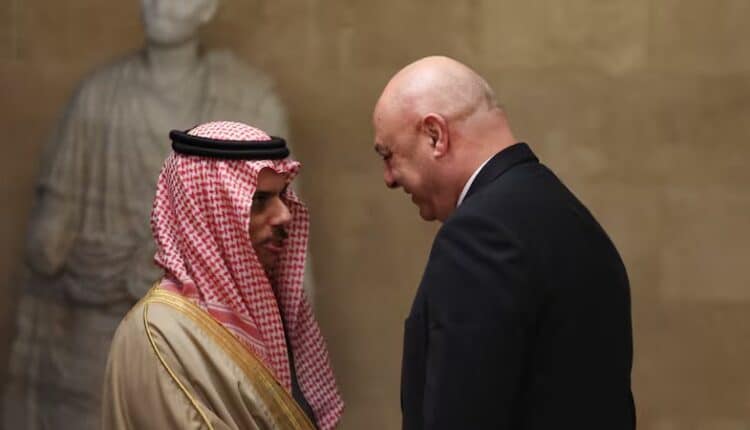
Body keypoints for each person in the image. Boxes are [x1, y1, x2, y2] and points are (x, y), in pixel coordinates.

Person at [3, 1, 317, 428]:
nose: (158, 3)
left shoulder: (248, 98)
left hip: (215, 331)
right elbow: (47, 244)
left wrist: (292, 328)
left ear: (208, 9)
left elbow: (287, 238)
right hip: (95, 327)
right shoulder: (98, 98)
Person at [372, 56, 635, 429]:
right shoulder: (567, 214)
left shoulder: (479, 233)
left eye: (388, 155)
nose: (388, 178)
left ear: (435, 135)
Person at [101, 121, 343, 429]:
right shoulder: (159, 334)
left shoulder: (271, 316)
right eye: (259, 201)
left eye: (282, 196)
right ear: (207, 216)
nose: (284, 215)